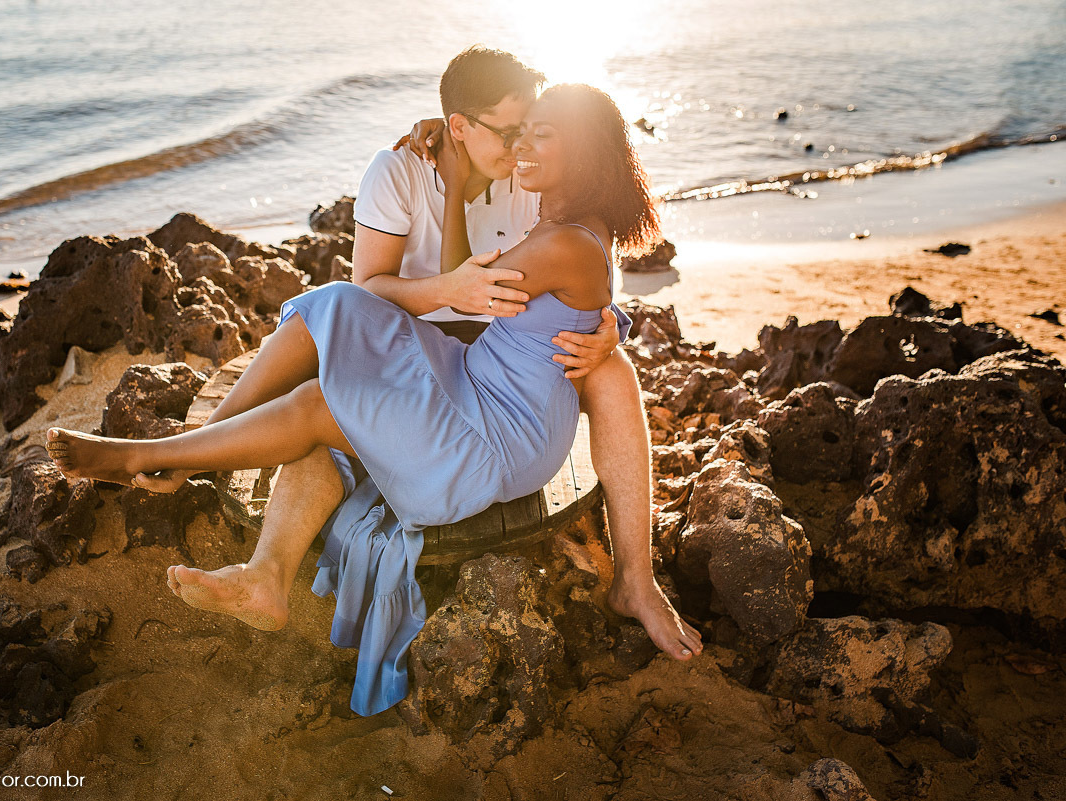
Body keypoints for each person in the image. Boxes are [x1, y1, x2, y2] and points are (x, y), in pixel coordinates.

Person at [142, 47, 701, 677]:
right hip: (410, 339)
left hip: (480, 372)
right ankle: (227, 504)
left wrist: (609, 327)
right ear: (460, 127)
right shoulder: (402, 172)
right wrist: (449, 248)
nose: (521, 148)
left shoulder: (535, 181)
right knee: (326, 320)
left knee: (611, 368)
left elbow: (579, 271)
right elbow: (370, 291)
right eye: (511, 131)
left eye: (531, 131)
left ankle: (638, 578)